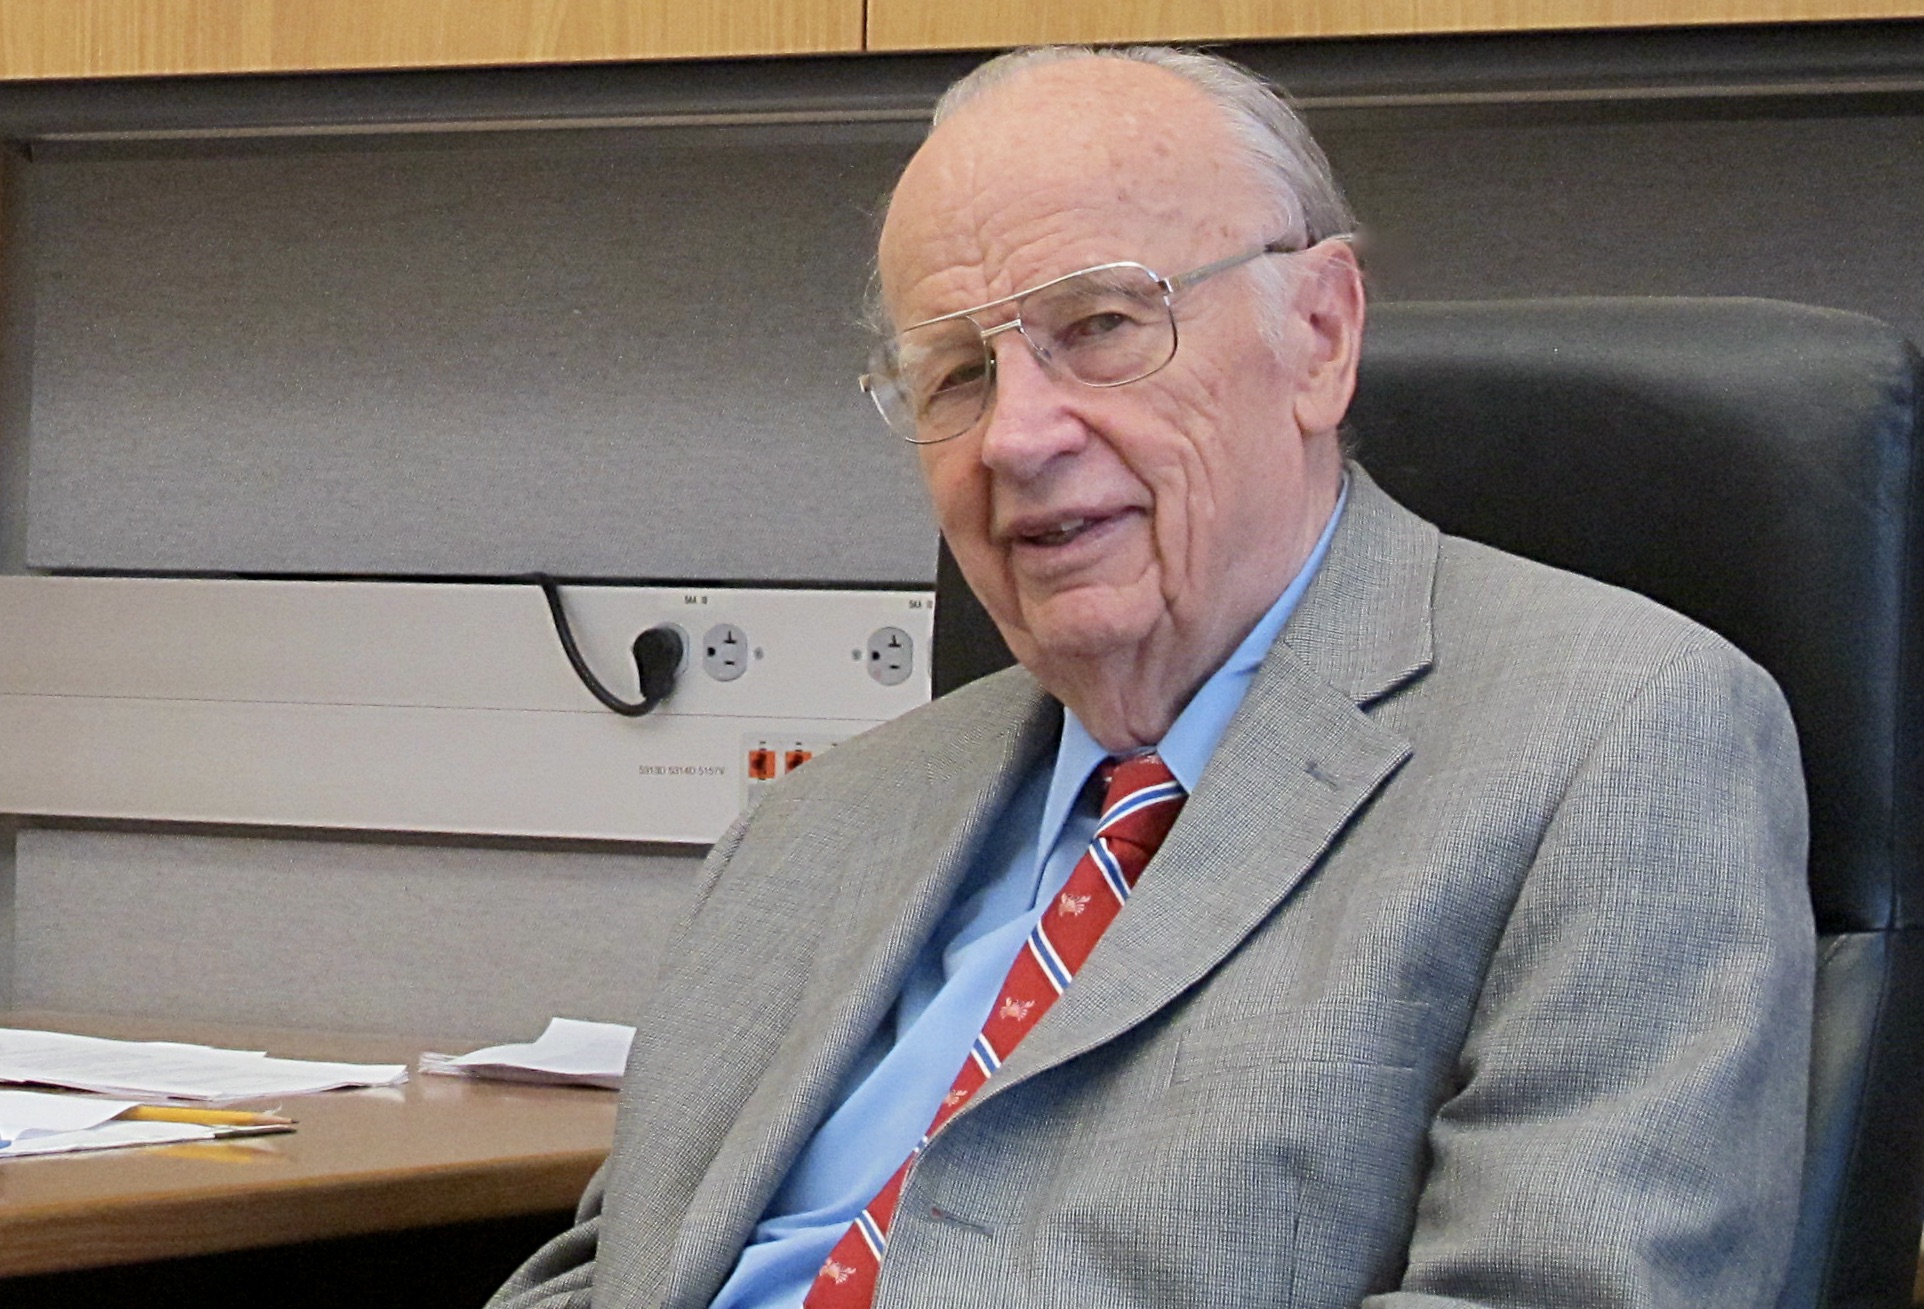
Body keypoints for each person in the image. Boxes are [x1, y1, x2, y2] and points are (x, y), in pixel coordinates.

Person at [492, 45, 1813, 1309]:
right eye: (956, 370)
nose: (1015, 434)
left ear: (1320, 332)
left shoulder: (1620, 744)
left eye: (1103, 325)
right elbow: (609, 1270)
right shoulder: (812, 827)